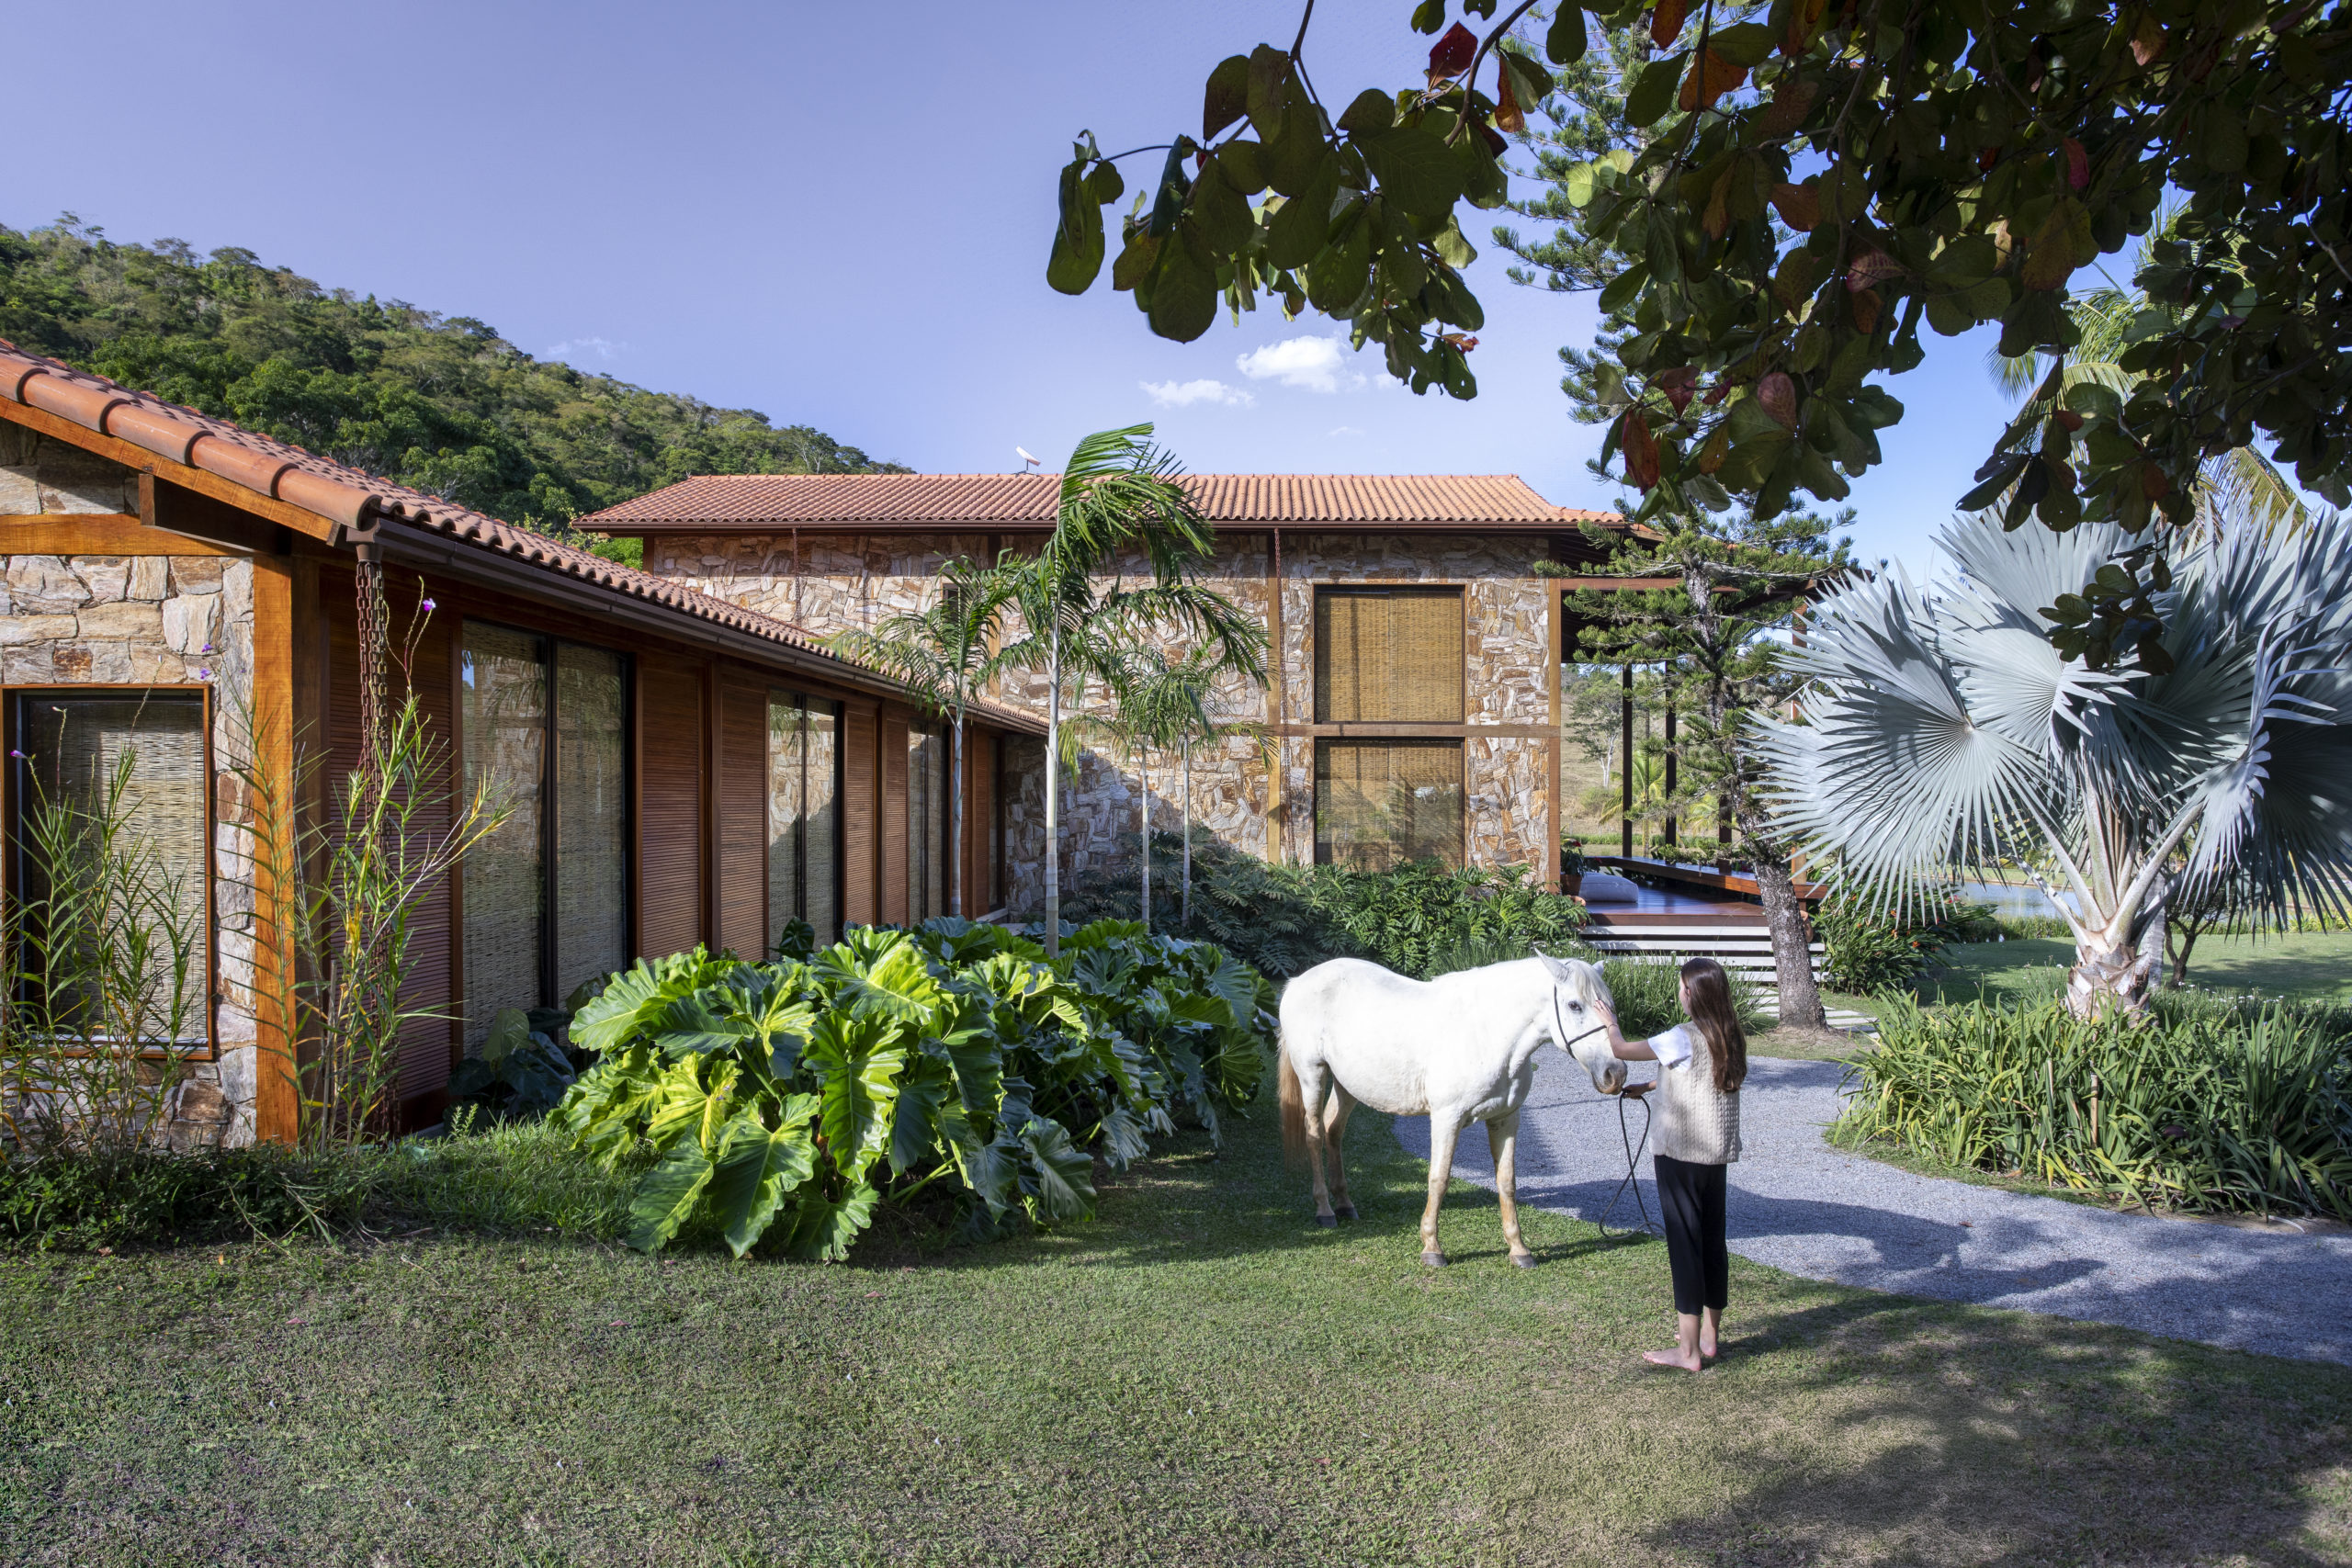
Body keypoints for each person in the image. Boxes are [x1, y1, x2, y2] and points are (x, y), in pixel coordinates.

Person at [1592, 956, 1747, 1372]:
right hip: (1715, 1157)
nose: (1679, 992)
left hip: (1679, 1156)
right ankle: (1710, 1339)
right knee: (1713, 1244)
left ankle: (1689, 1353)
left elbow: (1622, 1049)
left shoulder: (1679, 1036)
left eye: (1682, 987)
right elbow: (1697, 1073)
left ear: (1692, 994)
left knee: (1685, 1247)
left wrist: (1610, 1020)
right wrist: (1650, 1085)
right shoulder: (1728, 1034)